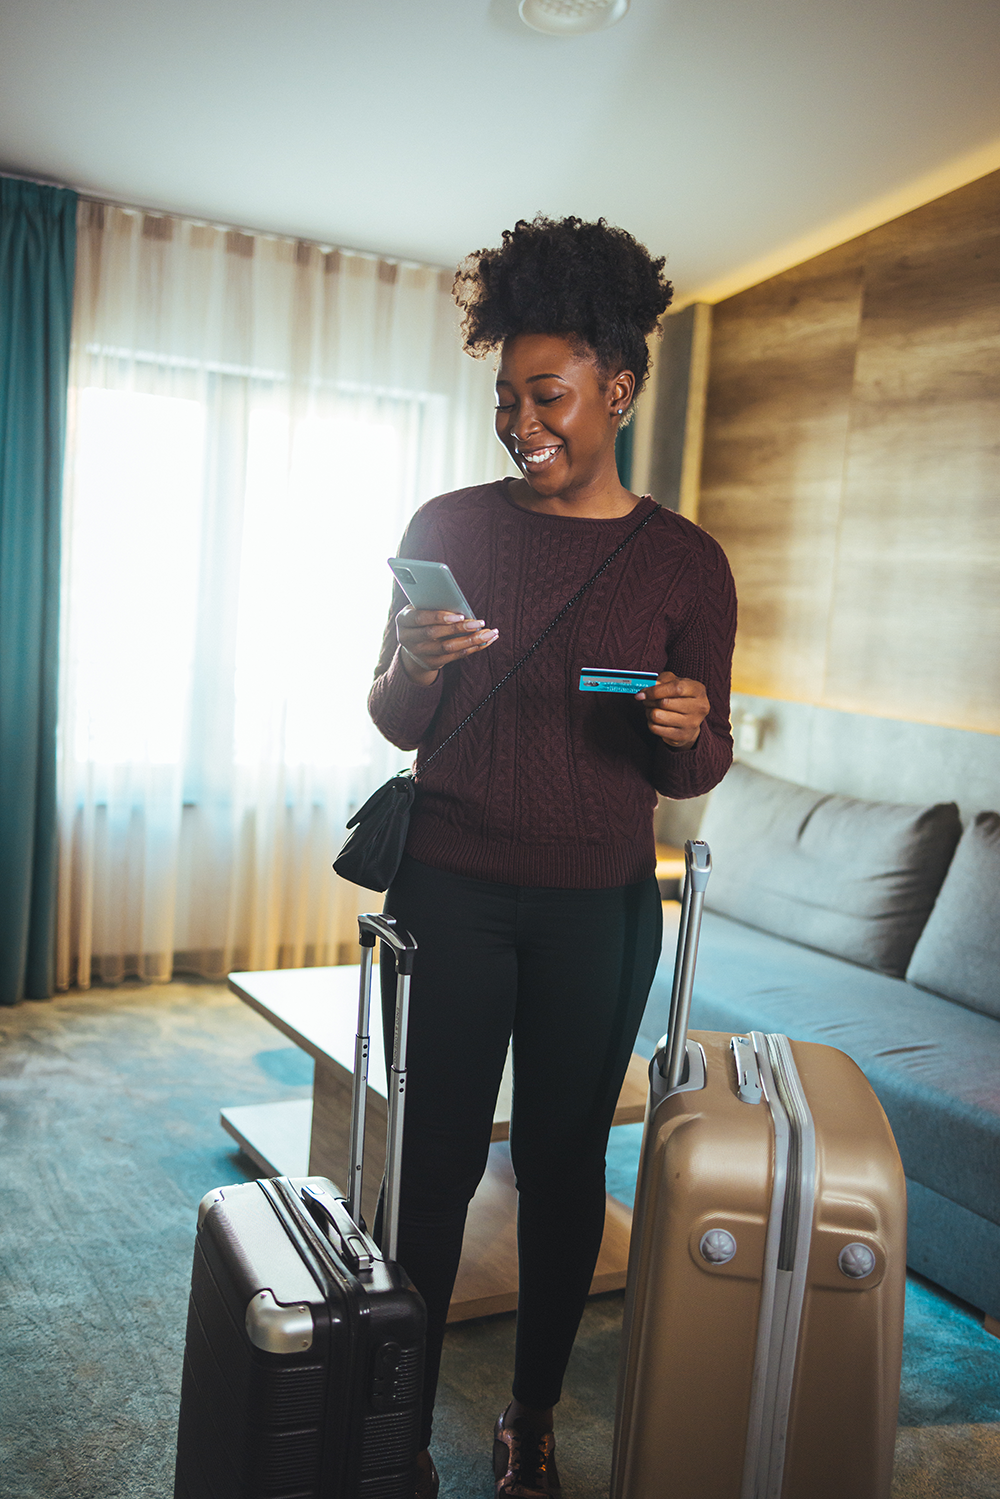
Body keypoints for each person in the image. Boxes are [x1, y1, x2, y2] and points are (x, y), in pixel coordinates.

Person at [368, 214, 736, 1499]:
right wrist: (409, 666)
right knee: (434, 1162)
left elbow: (695, 765)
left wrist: (687, 728)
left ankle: (529, 1413)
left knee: (568, 1164)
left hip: (595, 907)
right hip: (450, 889)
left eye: (550, 393)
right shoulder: (449, 522)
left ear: (618, 387)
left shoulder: (685, 561)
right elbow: (396, 719)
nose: (522, 420)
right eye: (507, 395)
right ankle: (395, 1417)